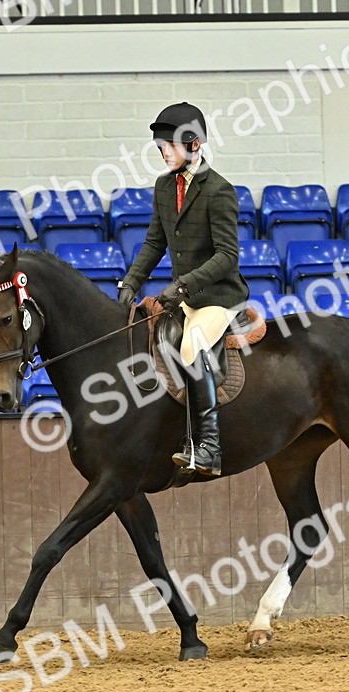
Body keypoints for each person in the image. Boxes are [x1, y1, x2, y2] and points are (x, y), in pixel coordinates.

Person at [116, 102, 249, 477]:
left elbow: (227, 256)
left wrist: (184, 285)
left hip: (217, 297)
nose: (163, 154)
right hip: (183, 297)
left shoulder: (220, 190)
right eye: (161, 148)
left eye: (169, 147)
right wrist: (131, 281)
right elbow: (154, 243)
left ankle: (209, 446)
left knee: (193, 344)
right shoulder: (163, 186)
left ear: (193, 144)